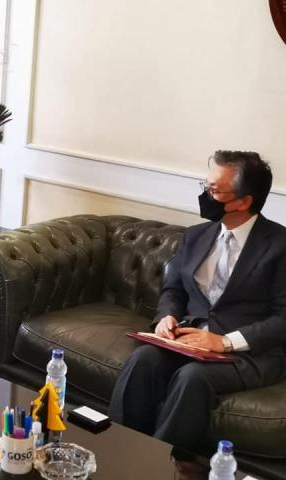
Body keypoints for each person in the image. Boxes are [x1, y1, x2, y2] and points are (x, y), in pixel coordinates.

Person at [109, 150, 286, 451]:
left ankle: (160, 463)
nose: (205, 195)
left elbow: (283, 319)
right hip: (189, 340)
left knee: (192, 377)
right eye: (206, 186)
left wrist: (224, 342)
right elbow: (173, 290)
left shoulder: (280, 245)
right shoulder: (195, 236)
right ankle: (118, 449)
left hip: (248, 353)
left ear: (244, 201)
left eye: (214, 190)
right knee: (142, 360)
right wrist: (167, 317)